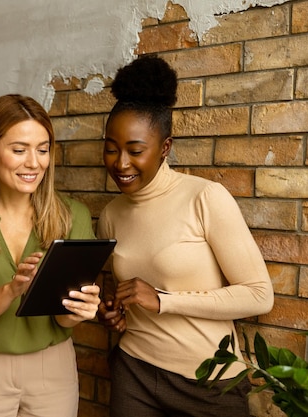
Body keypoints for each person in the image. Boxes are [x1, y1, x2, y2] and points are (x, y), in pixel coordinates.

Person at [97, 55, 274, 417]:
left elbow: (259, 295)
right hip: (135, 371)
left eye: (135, 150)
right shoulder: (112, 214)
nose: (121, 163)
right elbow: (130, 296)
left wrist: (164, 300)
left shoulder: (205, 197)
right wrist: (115, 310)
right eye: (111, 149)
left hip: (210, 383)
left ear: (164, 148)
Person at [0, 94, 100, 417]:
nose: (34, 162)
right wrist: (11, 289)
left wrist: (80, 311)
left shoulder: (73, 217)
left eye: (42, 150)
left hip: (51, 367)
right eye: (19, 150)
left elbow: (63, 317)